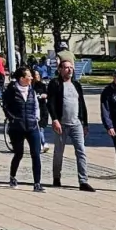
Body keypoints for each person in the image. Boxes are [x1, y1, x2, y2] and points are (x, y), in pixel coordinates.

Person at [47, 56, 93, 191]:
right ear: (60, 70)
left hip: (76, 123)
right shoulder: (55, 83)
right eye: (66, 68)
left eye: (71, 67)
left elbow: (82, 104)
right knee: (58, 152)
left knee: (81, 151)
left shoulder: (76, 85)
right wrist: (55, 119)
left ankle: (83, 181)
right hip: (61, 123)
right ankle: (56, 177)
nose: (69, 70)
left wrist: (85, 123)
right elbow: (51, 103)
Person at [2, 65, 44, 191]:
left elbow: (36, 106)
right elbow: (6, 106)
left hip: (32, 126)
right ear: (21, 78)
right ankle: (12, 176)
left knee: (36, 154)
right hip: (17, 128)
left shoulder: (31, 90)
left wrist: (36, 118)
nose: (31, 78)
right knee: (19, 153)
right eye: (28, 76)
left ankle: (37, 183)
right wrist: (12, 118)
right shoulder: (12, 90)